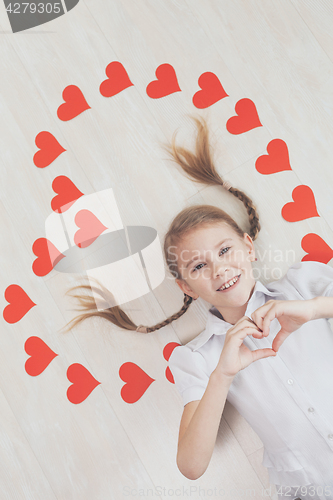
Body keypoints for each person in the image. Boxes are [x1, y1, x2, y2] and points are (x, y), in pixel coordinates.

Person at [61, 117, 333, 500]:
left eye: (225, 251)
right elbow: (191, 466)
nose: (220, 269)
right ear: (185, 286)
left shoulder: (305, 285)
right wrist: (222, 374)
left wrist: (315, 308)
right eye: (199, 266)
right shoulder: (199, 358)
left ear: (248, 247)